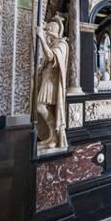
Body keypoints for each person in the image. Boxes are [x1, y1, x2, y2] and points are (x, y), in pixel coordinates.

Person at [36, 14, 68, 150]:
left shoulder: (62, 44)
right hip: (46, 79)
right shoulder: (53, 44)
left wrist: (41, 38)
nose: (46, 35)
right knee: (45, 108)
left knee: (40, 106)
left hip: (52, 82)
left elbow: (50, 57)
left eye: (48, 32)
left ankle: (55, 137)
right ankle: (51, 137)